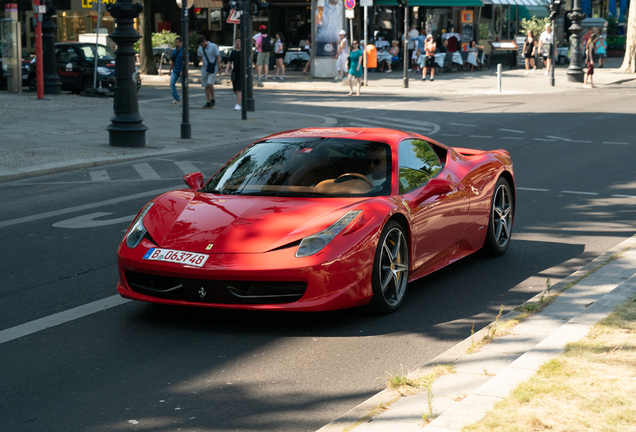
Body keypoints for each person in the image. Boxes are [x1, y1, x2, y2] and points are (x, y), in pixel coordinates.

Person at [197, 35, 221, 109]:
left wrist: (219, 67)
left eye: (202, 44)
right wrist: (199, 58)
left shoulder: (213, 46)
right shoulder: (200, 48)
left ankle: (213, 98)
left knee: (210, 84)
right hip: (205, 68)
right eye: (200, 45)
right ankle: (208, 101)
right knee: (205, 85)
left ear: (205, 42)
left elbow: (217, 57)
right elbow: (199, 57)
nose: (201, 46)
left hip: (213, 67)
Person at [224, 37, 243, 111]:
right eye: (236, 41)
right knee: (235, 89)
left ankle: (238, 104)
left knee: (239, 89)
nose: (237, 42)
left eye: (238, 41)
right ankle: (242, 98)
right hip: (234, 72)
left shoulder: (244, 52)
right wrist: (226, 70)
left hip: (241, 72)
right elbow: (229, 62)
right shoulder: (233, 52)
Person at [168, 37, 183, 106]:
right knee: (172, 83)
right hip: (175, 70)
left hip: (182, 70)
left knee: (184, 85)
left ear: (181, 43)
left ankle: (185, 99)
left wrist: (183, 70)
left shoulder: (184, 51)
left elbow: (186, 62)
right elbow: (173, 61)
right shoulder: (174, 51)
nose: (176, 44)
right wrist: (170, 70)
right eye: (175, 42)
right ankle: (176, 98)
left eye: (178, 42)